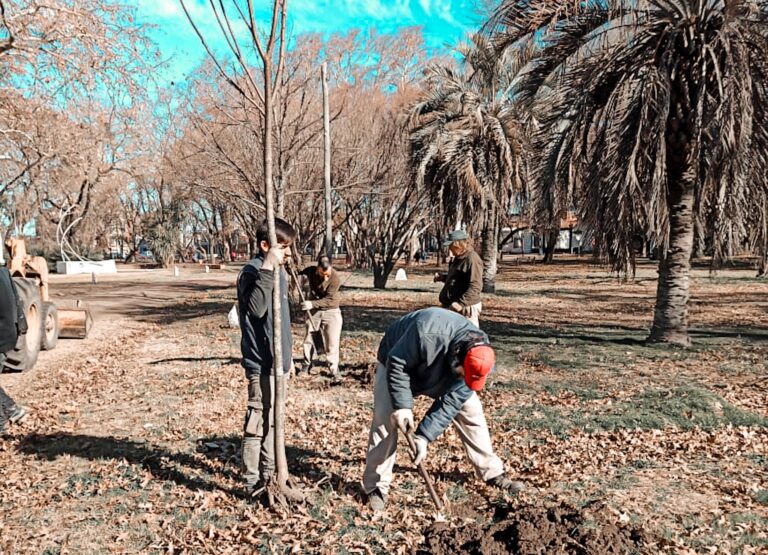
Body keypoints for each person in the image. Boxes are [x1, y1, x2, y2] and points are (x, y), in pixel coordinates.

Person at [362, 307, 524, 511]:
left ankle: (492, 472)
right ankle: (375, 487)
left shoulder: (480, 356)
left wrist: (423, 437)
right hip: (397, 363)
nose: (466, 379)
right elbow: (398, 362)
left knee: (471, 411)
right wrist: (403, 407)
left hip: (438, 369)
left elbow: (451, 402)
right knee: (385, 419)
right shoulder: (427, 333)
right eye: (464, 374)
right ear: (458, 357)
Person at [236, 217, 297, 494]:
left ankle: (271, 476)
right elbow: (258, 309)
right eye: (284, 248)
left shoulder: (281, 274)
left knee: (275, 421)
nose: (289, 254)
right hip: (260, 363)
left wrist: (289, 358)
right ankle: (251, 482)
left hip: (279, 362)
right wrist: (268, 267)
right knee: (258, 421)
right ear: (265, 245)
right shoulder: (252, 272)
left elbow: (281, 320)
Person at [298, 254, 342, 377]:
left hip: (331, 310)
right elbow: (297, 269)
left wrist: (311, 304)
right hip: (314, 311)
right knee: (309, 338)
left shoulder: (335, 278)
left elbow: (329, 300)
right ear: (318, 268)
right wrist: (291, 264)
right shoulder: (311, 271)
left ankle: (333, 369)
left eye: (327, 274)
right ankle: (307, 364)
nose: (326, 277)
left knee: (332, 341)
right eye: (323, 274)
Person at [434, 230, 483, 327]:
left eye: (451, 246)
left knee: (468, 338)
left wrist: (461, 303)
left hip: (465, 307)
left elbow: (475, 285)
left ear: (458, 244)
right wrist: (443, 278)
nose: (449, 249)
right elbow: (457, 279)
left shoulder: (472, 258)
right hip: (452, 306)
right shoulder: (457, 259)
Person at [0, 267, 29, 435]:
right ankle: (12, 409)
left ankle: (2, 424)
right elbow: (17, 302)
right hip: (9, 332)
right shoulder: (4, 272)